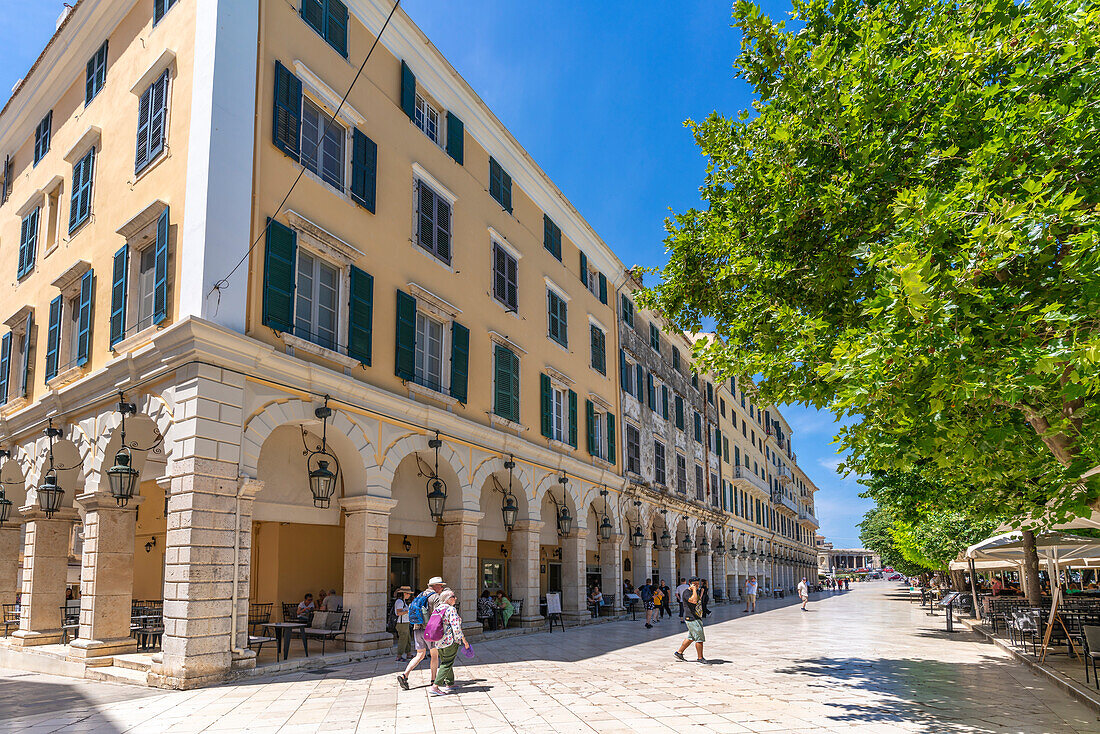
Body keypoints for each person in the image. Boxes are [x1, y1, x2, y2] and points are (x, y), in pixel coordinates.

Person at [397, 576, 446, 690]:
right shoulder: (435, 597)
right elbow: (437, 614)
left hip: (417, 628)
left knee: (420, 655)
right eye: (441, 585)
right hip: (429, 630)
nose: (442, 588)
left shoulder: (420, 595)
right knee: (434, 655)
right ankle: (434, 680)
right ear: (436, 586)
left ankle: (405, 675)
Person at [430, 589, 470, 696]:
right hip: (449, 640)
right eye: (453, 596)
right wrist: (463, 640)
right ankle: (435, 686)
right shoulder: (451, 609)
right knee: (447, 663)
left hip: (438, 641)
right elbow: (456, 627)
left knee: (446, 661)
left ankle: (450, 683)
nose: (455, 598)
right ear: (448, 599)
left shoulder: (437, 609)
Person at [674, 577, 706, 663]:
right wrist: (694, 590)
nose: (697, 585)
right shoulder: (687, 592)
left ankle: (679, 652)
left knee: (691, 637)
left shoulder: (695, 591)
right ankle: (700, 658)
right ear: (690, 583)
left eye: (698, 584)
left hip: (697, 617)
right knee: (699, 638)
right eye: (694, 584)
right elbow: (694, 600)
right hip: (692, 618)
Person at [393, 587, 413, 661]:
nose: (409, 595)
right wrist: (408, 611)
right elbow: (398, 613)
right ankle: (399, 656)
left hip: (405, 622)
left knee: (407, 638)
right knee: (403, 639)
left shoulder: (403, 601)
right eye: (409, 594)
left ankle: (408, 654)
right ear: (405, 593)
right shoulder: (400, 602)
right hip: (401, 623)